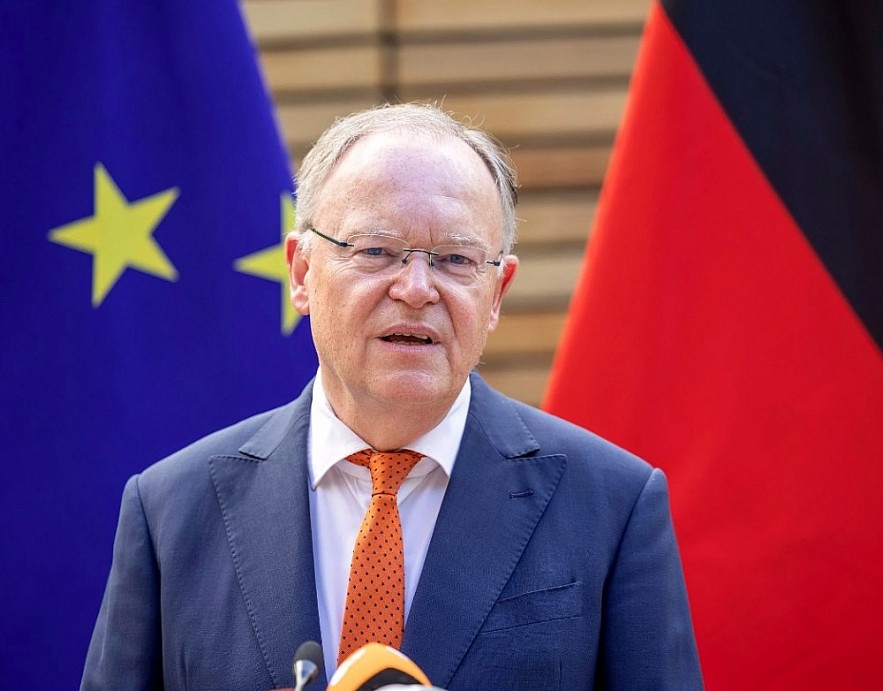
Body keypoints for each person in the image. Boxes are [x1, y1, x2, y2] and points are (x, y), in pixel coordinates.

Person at [82, 103, 703, 690]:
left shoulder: (612, 507)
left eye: (456, 259)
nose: (415, 288)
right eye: (376, 251)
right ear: (301, 273)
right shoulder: (172, 511)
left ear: (497, 293)